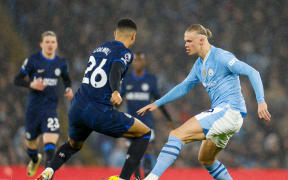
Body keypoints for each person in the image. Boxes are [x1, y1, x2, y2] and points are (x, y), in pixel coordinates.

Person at [137, 24, 271, 180]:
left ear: (201, 40)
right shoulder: (199, 65)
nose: (185, 45)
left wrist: (261, 101)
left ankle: (150, 178)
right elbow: (184, 87)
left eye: (189, 41)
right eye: (185, 41)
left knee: (176, 134)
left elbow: (252, 71)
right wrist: (158, 103)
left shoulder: (221, 56)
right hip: (229, 118)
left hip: (228, 111)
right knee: (206, 159)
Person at [36, 18, 152, 180]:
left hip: (77, 106)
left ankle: (49, 170)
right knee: (144, 133)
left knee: (73, 145)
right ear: (133, 37)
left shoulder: (99, 49)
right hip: (98, 110)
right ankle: (123, 178)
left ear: (115, 34)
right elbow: (115, 69)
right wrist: (116, 91)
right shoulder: (126, 52)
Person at [14, 31, 73, 177]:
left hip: (51, 108)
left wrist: (68, 88)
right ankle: (34, 160)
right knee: (31, 145)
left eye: (53, 42)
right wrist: (31, 84)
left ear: (56, 44)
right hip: (34, 109)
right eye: (47, 42)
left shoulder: (61, 63)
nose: (50, 45)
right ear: (41, 44)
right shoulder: (32, 60)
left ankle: (48, 175)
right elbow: (17, 80)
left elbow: (66, 79)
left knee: (50, 145)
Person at [120, 52, 173, 179]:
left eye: (141, 60)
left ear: (145, 63)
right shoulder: (126, 80)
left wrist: (168, 118)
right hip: (131, 122)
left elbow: (158, 100)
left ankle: (148, 176)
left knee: (147, 148)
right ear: (133, 63)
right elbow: (119, 99)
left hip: (147, 121)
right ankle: (138, 177)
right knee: (133, 153)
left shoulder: (151, 79)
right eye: (136, 60)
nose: (138, 63)